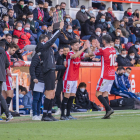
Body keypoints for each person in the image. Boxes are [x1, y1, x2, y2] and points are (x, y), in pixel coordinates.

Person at [35, 21, 64, 121]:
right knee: (49, 93)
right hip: (47, 71)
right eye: (46, 39)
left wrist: (50, 30)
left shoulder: (45, 48)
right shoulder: (41, 46)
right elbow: (51, 40)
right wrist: (59, 29)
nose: (48, 41)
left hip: (51, 70)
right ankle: (45, 115)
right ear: (43, 40)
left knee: (52, 93)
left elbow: (49, 38)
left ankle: (49, 114)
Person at [61, 40, 91, 120]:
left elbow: (90, 55)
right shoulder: (70, 53)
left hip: (74, 78)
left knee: (72, 96)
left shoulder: (79, 54)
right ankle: (62, 115)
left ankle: (68, 114)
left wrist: (88, 47)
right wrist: (83, 48)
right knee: (66, 96)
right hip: (68, 78)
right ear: (72, 46)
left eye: (79, 45)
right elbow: (74, 56)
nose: (78, 46)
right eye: (76, 45)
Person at [92, 35, 116, 119]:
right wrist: (98, 46)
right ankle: (107, 113)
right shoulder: (113, 49)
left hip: (105, 75)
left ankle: (109, 109)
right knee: (105, 93)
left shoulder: (103, 50)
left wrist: (94, 47)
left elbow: (92, 54)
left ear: (104, 41)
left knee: (98, 93)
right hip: (112, 74)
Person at [29, 35, 45, 120]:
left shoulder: (42, 57)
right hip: (37, 80)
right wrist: (34, 77)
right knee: (36, 98)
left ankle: (38, 113)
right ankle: (34, 114)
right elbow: (32, 68)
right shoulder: (36, 57)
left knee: (39, 98)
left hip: (42, 80)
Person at [1, 43, 18, 118]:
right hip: (6, 77)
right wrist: (8, 69)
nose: (14, 52)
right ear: (9, 48)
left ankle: (2, 113)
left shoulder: (6, 54)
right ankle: (6, 113)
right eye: (13, 50)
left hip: (4, 76)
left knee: (4, 96)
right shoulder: (6, 54)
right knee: (10, 95)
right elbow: (6, 64)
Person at [55, 45, 70, 115]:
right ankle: (60, 108)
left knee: (66, 94)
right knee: (57, 93)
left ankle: (65, 109)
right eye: (64, 50)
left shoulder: (71, 58)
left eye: (67, 50)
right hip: (61, 78)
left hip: (69, 78)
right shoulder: (60, 58)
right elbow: (57, 68)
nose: (66, 52)